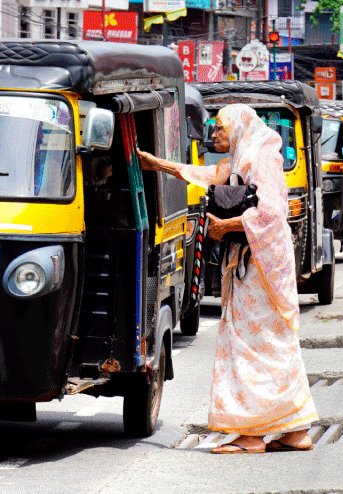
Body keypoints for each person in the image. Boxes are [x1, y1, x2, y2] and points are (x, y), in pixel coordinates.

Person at [136, 104, 318, 454]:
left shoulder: (259, 157)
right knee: (274, 346)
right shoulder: (246, 156)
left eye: (219, 128)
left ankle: (250, 435)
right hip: (262, 269)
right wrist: (158, 164)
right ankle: (294, 431)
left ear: (237, 128)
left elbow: (271, 212)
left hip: (259, 270)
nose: (214, 134)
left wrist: (225, 226)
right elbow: (207, 174)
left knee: (245, 344)